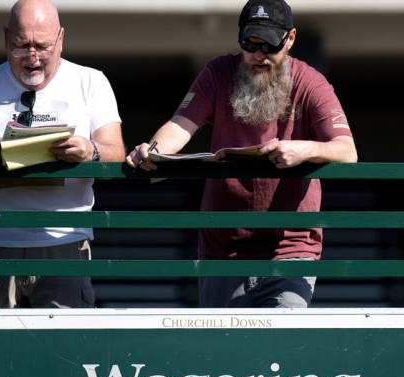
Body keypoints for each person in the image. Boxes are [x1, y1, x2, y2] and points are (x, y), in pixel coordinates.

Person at [127, 0, 357, 308]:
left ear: (290, 39)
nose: (259, 55)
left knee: (282, 350)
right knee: (222, 352)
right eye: (250, 44)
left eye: (269, 45)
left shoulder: (310, 82)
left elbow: (347, 150)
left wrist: (303, 149)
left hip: (288, 248)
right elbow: (179, 127)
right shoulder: (218, 73)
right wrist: (150, 152)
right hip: (222, 249)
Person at [0, 0, 125, 309]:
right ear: (5, 38)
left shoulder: (91, 82)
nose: (32, 57)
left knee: (65, 352)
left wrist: (88, 150)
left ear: (61, 39)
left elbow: (117, 153)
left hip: (64, 240)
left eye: (43, 46)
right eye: (20, 45)